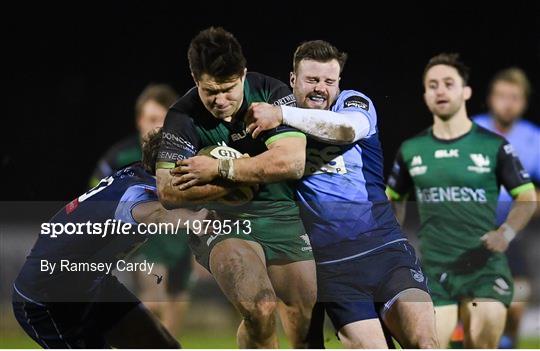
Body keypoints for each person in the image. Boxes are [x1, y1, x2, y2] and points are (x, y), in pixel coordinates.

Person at [244, 40, 438, 348]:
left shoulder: (352, 103)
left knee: (425, 342)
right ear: (293, 80)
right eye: (312, 80)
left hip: (385, 251)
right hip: (333, 268)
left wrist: (281, 114)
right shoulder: (276, 132)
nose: (321, 88)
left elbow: (346, 129)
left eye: (328, 81)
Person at [155, 27, 316, 348]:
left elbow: (292, 161)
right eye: (209, 90)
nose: (220, 100)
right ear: (194, 77)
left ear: (243, 74)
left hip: (281, 215)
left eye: (228, 89)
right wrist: (229, 191)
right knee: (260, 307)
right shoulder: (182, 116)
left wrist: (221, 169)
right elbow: (168, 190)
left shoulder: (271, 92)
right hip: (224, 222)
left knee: (304, 320)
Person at [386, 53, 537, 348]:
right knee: (428, 344)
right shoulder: (412, 149)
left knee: (484, 338)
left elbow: (527, 196)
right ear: (425, 95)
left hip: (484, 266)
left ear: (465, 91)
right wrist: (392, 241)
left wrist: (505, 233)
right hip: (435, 267)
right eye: (432, 85)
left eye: (448, 83)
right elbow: (393, 199)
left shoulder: (493, 145)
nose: (440, 90)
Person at [12, 129, 212, 348]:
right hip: (47, 299)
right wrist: (202, 218)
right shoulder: (137, 192)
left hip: (92, 285)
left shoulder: (140, 173)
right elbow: (155, 213)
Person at [89, 84, 193, 338]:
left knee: (172, 323)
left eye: (164, 120)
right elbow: (94, 196)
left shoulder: (189, 154)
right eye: (152, 119)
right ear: (139, 121)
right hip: (143, 241)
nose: (158, 127)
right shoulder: (121, 157)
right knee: (153, 303)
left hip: (180, 242)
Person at [472, 67, 540, 348]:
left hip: (514, 233)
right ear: (490, 99)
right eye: (501, 96)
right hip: (474, 231)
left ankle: (508, 341)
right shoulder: (472, 129)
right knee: (478, 307)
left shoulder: (533, 138)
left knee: (516, 302)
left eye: (514, 97)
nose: (507, 103)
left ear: (523, 102)